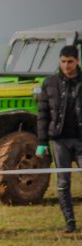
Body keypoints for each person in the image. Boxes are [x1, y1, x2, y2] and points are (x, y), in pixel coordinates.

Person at [37, 45, 82, 233]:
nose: (66, 65)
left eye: (70, 62)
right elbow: (43, 114)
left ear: (77, 61)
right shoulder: (50, 83)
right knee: (63, 183)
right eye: (63, 61)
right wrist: (41, 142)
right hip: (59, 140)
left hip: (80, 139)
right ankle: (69, 221)